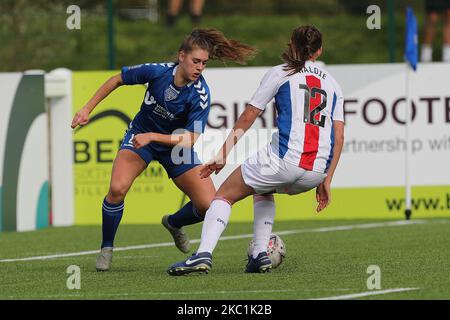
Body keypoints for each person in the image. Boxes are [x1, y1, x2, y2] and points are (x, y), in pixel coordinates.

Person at [71, 28, 257, 271]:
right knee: (117, 189)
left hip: (175, 145)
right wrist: (87, 109)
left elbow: (190, 139)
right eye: (195, 61)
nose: (200, 68)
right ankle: (107, 248)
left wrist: (154, 137)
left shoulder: (200, 95)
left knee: (208, 205)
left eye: (204, 63)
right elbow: (117, 79)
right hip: (140, 137)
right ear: (182, 56)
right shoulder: (157, 71)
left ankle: (173, 222)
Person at [166, 25, 345, 276]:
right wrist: (328, 179)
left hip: (284, 160)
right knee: (262, 189)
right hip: (316, 172)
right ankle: (260, 254)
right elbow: (339, 136)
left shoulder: (282, 72)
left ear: (291, 45)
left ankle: (202, 255)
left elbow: (250, 115)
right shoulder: (334, 85)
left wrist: (223, 153)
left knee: (223, 196)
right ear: (319, 51)